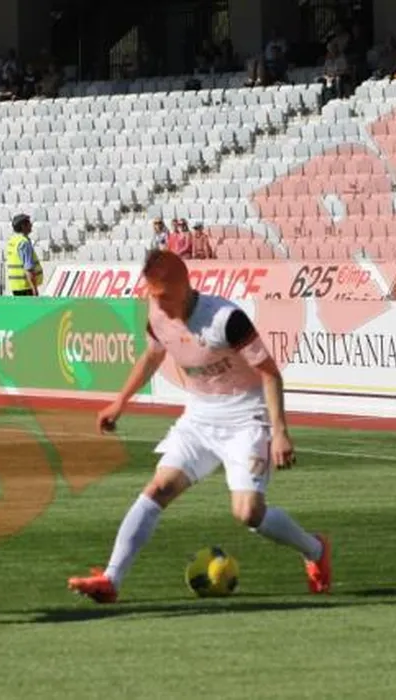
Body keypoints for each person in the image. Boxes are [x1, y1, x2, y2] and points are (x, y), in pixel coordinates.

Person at [67, 250, 331, 604]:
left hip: (246, 419)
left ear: (184, 286)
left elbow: (269, 373)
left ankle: (315, 550)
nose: (158, 303)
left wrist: (280, 431)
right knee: (159, 488)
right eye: (152, 295)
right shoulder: (157, 314)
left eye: (163, 296)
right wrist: (120, 402)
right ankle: (111, 579)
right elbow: (152, 355)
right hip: (199, 417)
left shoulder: (226, 319)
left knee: (249, 513)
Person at [5, 213, 43, 296]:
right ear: (23, 226)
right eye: (29, 223)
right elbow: (28, 268)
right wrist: (34, 288)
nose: (31, 225)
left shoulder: (12, 240)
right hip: (26, 286)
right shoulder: (24, 243)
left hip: (16, 286)